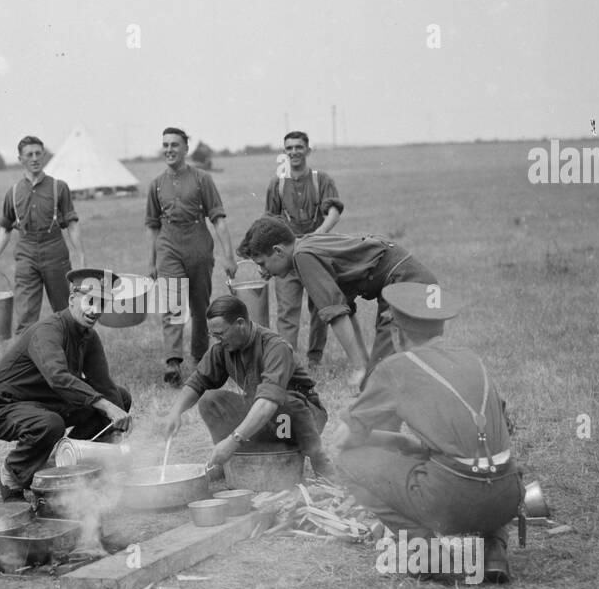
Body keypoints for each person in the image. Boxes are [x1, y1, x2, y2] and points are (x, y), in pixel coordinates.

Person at [331, 283, 519, 583]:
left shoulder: (395, 367)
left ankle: (431, 554)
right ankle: (493, 549)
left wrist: (380, 439)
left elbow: (342, 440)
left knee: (347, 461)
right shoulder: (472, 358)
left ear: (396, 332)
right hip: (508, 498)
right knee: (488, 458)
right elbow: (497, 428)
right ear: (440, 328)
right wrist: (404, 441)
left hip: (454, 501)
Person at [0, 268, 133, 501]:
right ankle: (11, 476)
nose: (95, 310)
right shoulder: (48, 331)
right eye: (90, 301)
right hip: (5, 408)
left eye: (102, 304)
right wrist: (107, 407)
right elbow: (58, 378)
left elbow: (104, 386)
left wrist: (121, 425)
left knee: (120, 398)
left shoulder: (88, 336)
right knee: (52, 424)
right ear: (73, 299)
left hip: (49, 402)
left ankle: (64, 465)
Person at [237, 217, 437, 388]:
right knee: (380, 374)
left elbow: (336, 314)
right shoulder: (306, 244)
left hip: (406, 284)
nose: (263, 272)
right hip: (411, 281)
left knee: (382, 379)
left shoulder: (303, 256)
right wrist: (364, 365)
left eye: (262, 263)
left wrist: (360, 368)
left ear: (278, 251)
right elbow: (346, 310)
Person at [163, 294, 334, 476]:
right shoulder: (223, 348)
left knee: (285, 402)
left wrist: (233, 440)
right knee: (210, 400)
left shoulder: (276, 347)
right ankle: (230, 459)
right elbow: (197, 382)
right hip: (265, 416)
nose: (216, 340)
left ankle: (319, 460)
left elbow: (268, 403)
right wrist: (175, 412)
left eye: (220, 334)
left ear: (240, 324)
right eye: (213, 335)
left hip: (302, 418)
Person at [145, 127, 237, 386]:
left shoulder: (201, 179)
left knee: (200, 307)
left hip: (198, 245)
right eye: (165, 144)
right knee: (172, 305)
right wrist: (151, 261)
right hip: (169, 246)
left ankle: (200, 358)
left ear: (186, 148)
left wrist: (229, 257)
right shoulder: (156, 184)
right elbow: (152, 225)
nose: (169, 149)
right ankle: (173, 362)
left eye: (175, 144)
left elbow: (218, 219)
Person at [0, 136, 85, 335]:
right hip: (26, 255)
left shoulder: (59, 187)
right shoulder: (12, 193)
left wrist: (80, 256)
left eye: (38, 153)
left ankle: (72, 363)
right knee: (25, 319)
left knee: (67, 312)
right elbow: (5, 229)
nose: (35, 158)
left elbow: (72, 224)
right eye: (29, 154)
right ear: (20, 159)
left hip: (55, 252)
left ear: (44, 156)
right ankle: (29, 364)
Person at [265, 131, 344, 367]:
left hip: (315, 253)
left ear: (308, 150)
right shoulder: (277, 184)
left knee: (321, 307)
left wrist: (316, 236)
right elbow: (269, 221)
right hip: (286, 257)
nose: (294, 152)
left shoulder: (322, 180)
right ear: (284, 152)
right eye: (289, 148)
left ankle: (314, 359)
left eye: (299, 147)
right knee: (287, 312)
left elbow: (334, 212)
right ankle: (286, 361)